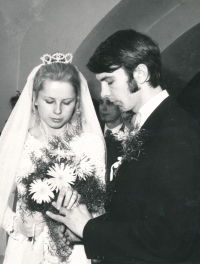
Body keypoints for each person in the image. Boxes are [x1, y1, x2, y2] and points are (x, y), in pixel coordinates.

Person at [47, 30, 200, 264]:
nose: (104, 94)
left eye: (109, 81)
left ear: (140, 73)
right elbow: (137, 214)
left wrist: (90, 229)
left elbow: (170, 239)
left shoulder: (177, 133)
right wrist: (84, 232)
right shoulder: (152, 124)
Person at [0, 53, 105, 264]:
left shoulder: (90, 143)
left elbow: (101, 204)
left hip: (73, 249)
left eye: (67, 102)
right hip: (26, 248)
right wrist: (17, 224)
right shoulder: (18, 141)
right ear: (35, 99)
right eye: (49, 101)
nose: (57, 111)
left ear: (77, 102)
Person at [98, 97, 124, 183]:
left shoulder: (130, 135)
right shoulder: (93, 131)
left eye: (110, 103)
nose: (103, 108)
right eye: (101, 102)